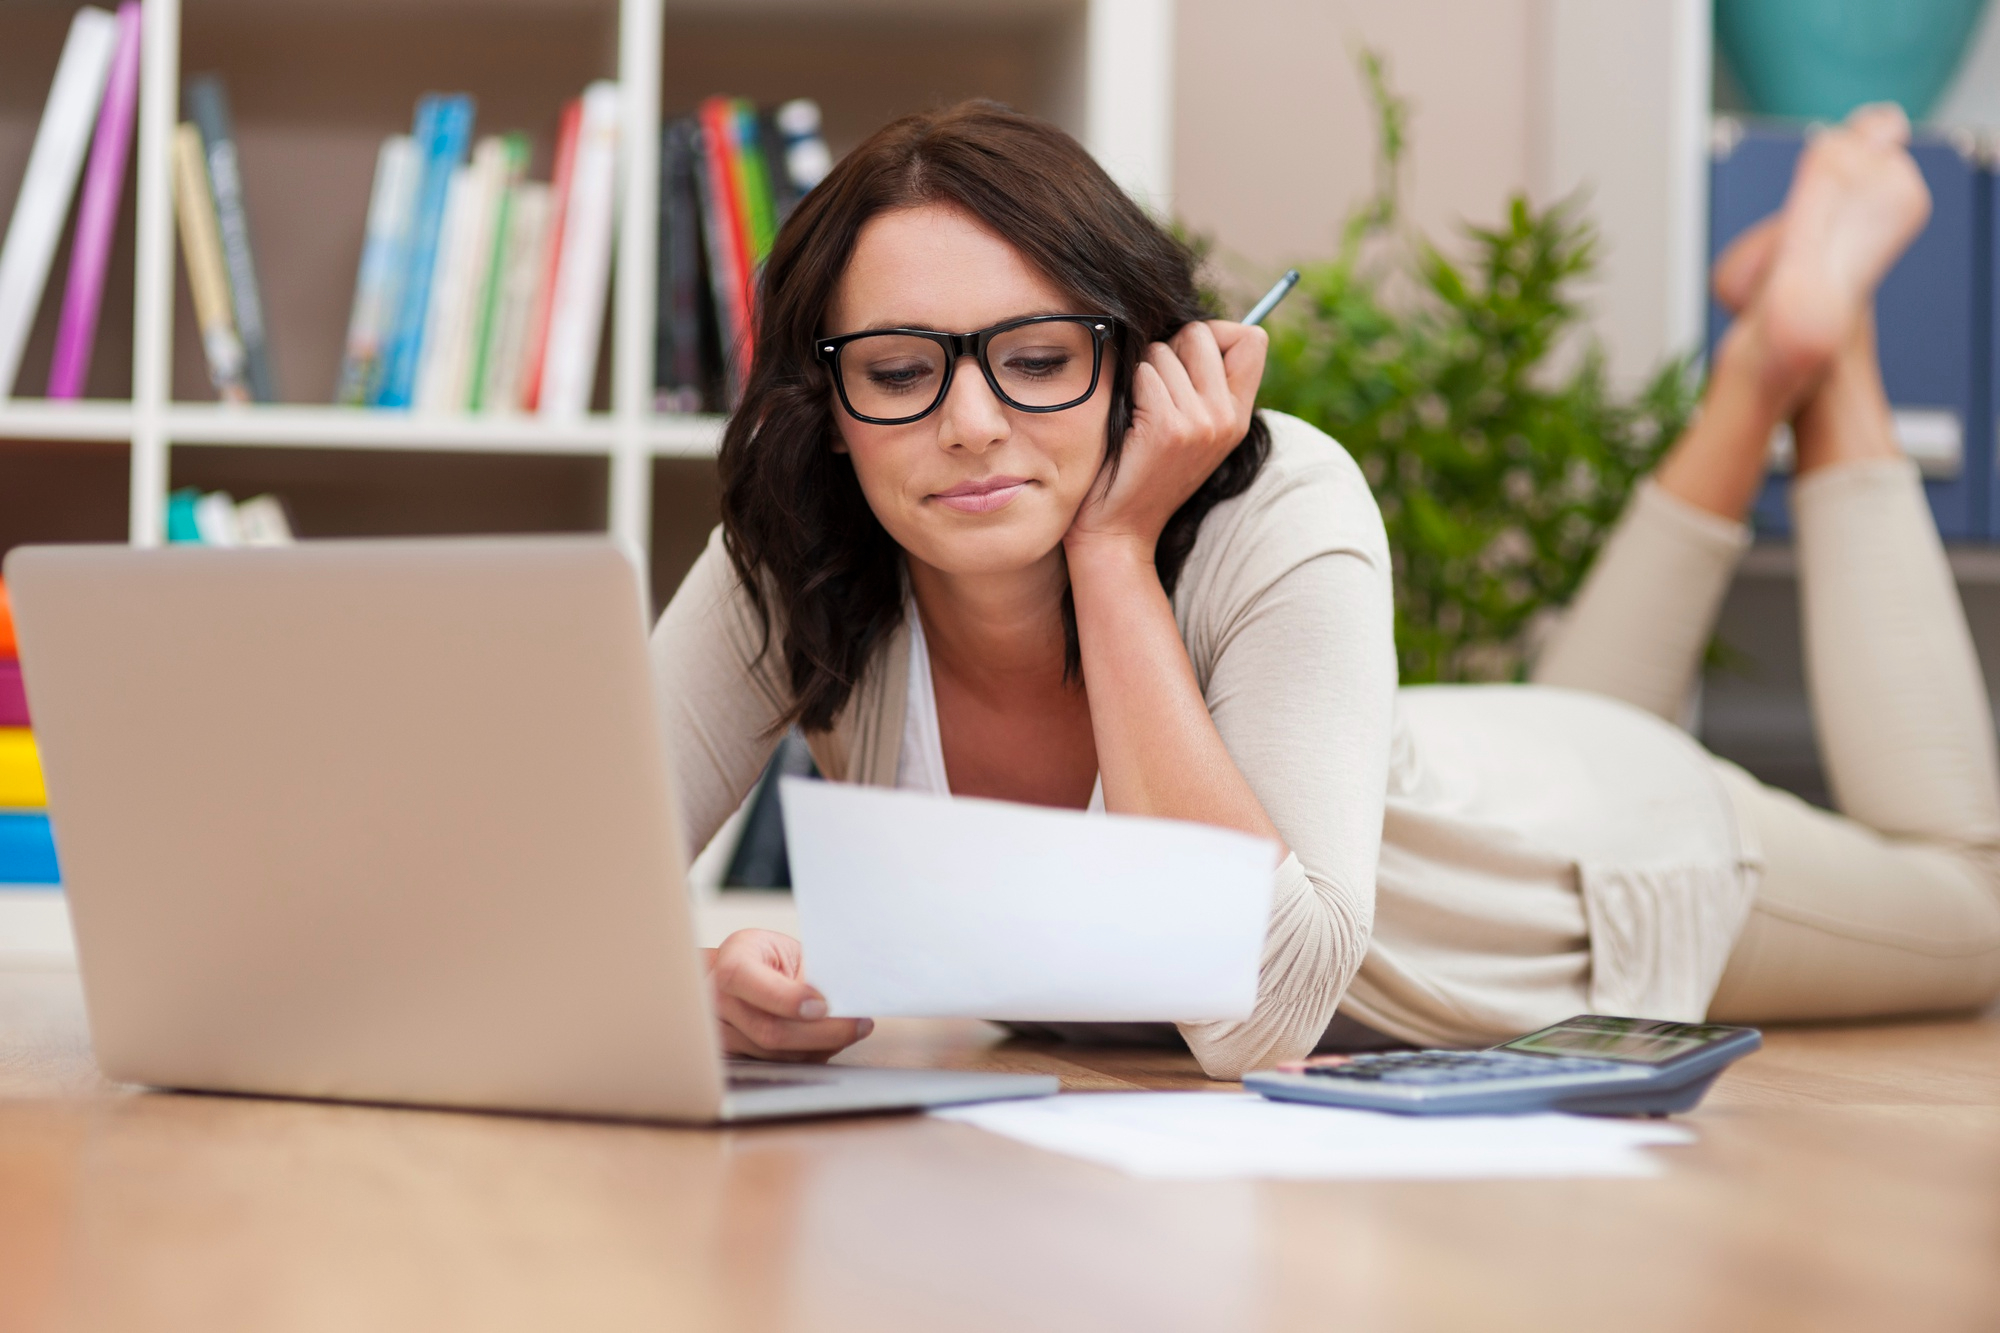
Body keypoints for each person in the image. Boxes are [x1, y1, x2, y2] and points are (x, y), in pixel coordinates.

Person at [652, 100, 2000, 1079]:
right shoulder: (803, 542)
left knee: (1974, 900)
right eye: (899, 371)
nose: (970, 423)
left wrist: (1115, 554)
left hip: (1591, 868)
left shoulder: (1281, 496)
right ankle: (1766, 361)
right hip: (1460, 757)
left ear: (1138, 361)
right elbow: (558, 895)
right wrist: (681, 982)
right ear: (825, 402)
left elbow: (1260, 1015)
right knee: (1552, 723)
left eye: (1039, 356)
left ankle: (1828, 353)